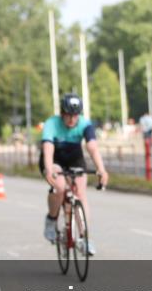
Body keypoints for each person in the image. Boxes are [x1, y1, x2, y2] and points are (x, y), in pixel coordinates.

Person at [40, 93, 109, 255]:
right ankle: (51, 219)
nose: (72, 120)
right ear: (62, 114)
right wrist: (49, 168)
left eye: (75, 115)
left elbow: (92, 147)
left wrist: (101, 168)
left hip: (74, 158)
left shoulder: (85, 124)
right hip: (54, 158)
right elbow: (48, 147)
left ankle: (85, 238)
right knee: (59, 186)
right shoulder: (52, 123)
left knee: (80, 193)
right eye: (69, 115)